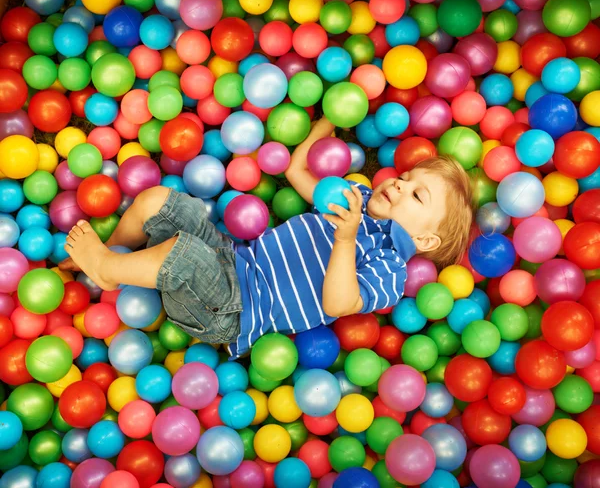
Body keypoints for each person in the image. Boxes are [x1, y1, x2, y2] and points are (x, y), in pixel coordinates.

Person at [59, 117, 474, 359]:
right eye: (405, 178)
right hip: (231, 257)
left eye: (417, 195)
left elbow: (338, 303)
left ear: (426, 241)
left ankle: (107, 270)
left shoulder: (390, 271)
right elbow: (297, 173)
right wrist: (326, 121)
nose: (400, 186)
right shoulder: (356, 198)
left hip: (233, 310)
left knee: (181, 255)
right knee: (157, 201)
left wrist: (346, 238)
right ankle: (112, 250)